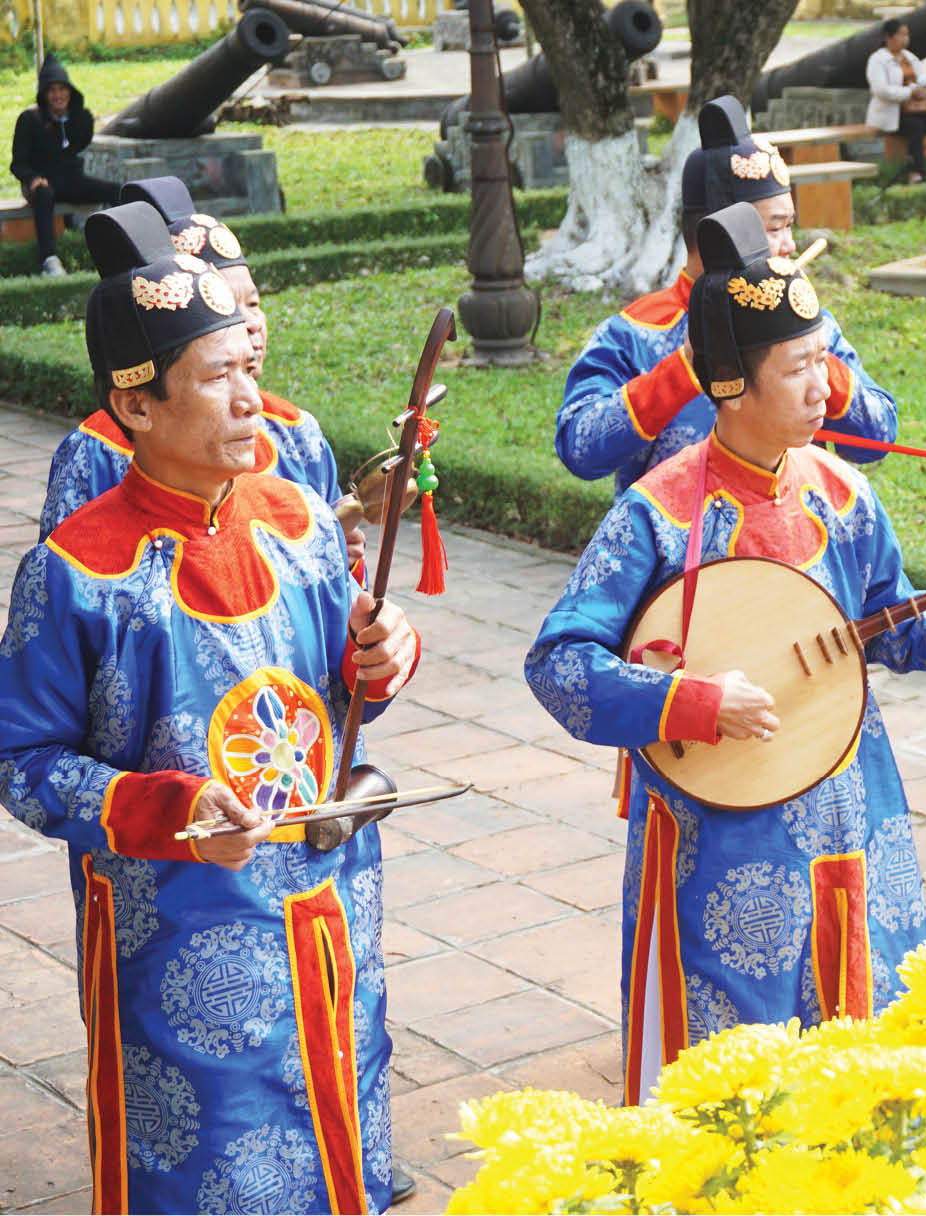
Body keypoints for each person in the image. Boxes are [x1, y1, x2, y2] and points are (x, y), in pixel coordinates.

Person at [526, 202, 926, 1099]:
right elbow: (559, 664)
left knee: (870, 1024)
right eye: (798, 368)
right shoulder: (657, 510)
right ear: (729, 382)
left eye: (825, 364)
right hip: (719, 824)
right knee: (737, 1055)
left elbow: (893, 625)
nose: (824, 389)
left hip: (853, 802)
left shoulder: (839, 491)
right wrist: (686, 703)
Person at [0, 201, 422, 1213]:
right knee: (210, 1170)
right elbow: (21, 758)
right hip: (183, 935)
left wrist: (385, 654)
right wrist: (164, 810)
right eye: (219, 378)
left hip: (329, 908)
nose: (251, 400)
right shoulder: (77, 572)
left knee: (342, 1127)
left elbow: (341, 690)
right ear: (135, 406)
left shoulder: (304, 522)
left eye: (250, 367)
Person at [556, 96, 899, 495]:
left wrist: (811, 355)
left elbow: (878, 436)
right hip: (681, 551)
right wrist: (683, 368)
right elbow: (579, 450)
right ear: (719, 233)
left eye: (790, 226)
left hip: (790, 546)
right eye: (774, 229)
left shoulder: (808, 323)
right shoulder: (636, 333)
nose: (789, 245)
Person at [40, 177, 360, 567]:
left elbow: (338, 598)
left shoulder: (297, 434)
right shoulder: (96, 454)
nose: (248, 322)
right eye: (225, 303)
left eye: (253, 301)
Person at [9, 53, 122, 276]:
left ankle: (121, 248)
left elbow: (77, 147)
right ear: (44, 95)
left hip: (70, 181)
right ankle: (49, 261)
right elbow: (18, 164)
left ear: (70, 92)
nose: (58, 95)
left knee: (116, 191)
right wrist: (32, 178)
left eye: (62, 89)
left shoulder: (80, 119)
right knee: (44, 194)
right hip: (40, 183)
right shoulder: (29, 120)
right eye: (51, 90)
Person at [868, 19, 926, 184]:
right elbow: (880, 90)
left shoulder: (911, 58)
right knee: (917, 126)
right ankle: (916, 173)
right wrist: (911, 92)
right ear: (888, 37)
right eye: (902, 35)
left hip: (916, 109)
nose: (906, 39)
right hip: (890, 113)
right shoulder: (877, 60)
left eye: (907, 35)